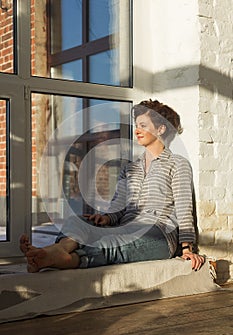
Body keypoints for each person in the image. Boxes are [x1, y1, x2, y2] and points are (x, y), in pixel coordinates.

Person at [20, 99, 205, 272]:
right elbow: (118, 207)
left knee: (114, 244)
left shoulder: (177, 164)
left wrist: (187, 248)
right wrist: (106, 218)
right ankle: (58, 250)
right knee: (78, 221)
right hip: (126, 226)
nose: (137, 130)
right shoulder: (130, 168)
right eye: (136, 125)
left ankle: (64, 259)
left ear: (161, 129)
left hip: (158, 233)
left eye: (143, 125)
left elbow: (184, 207)